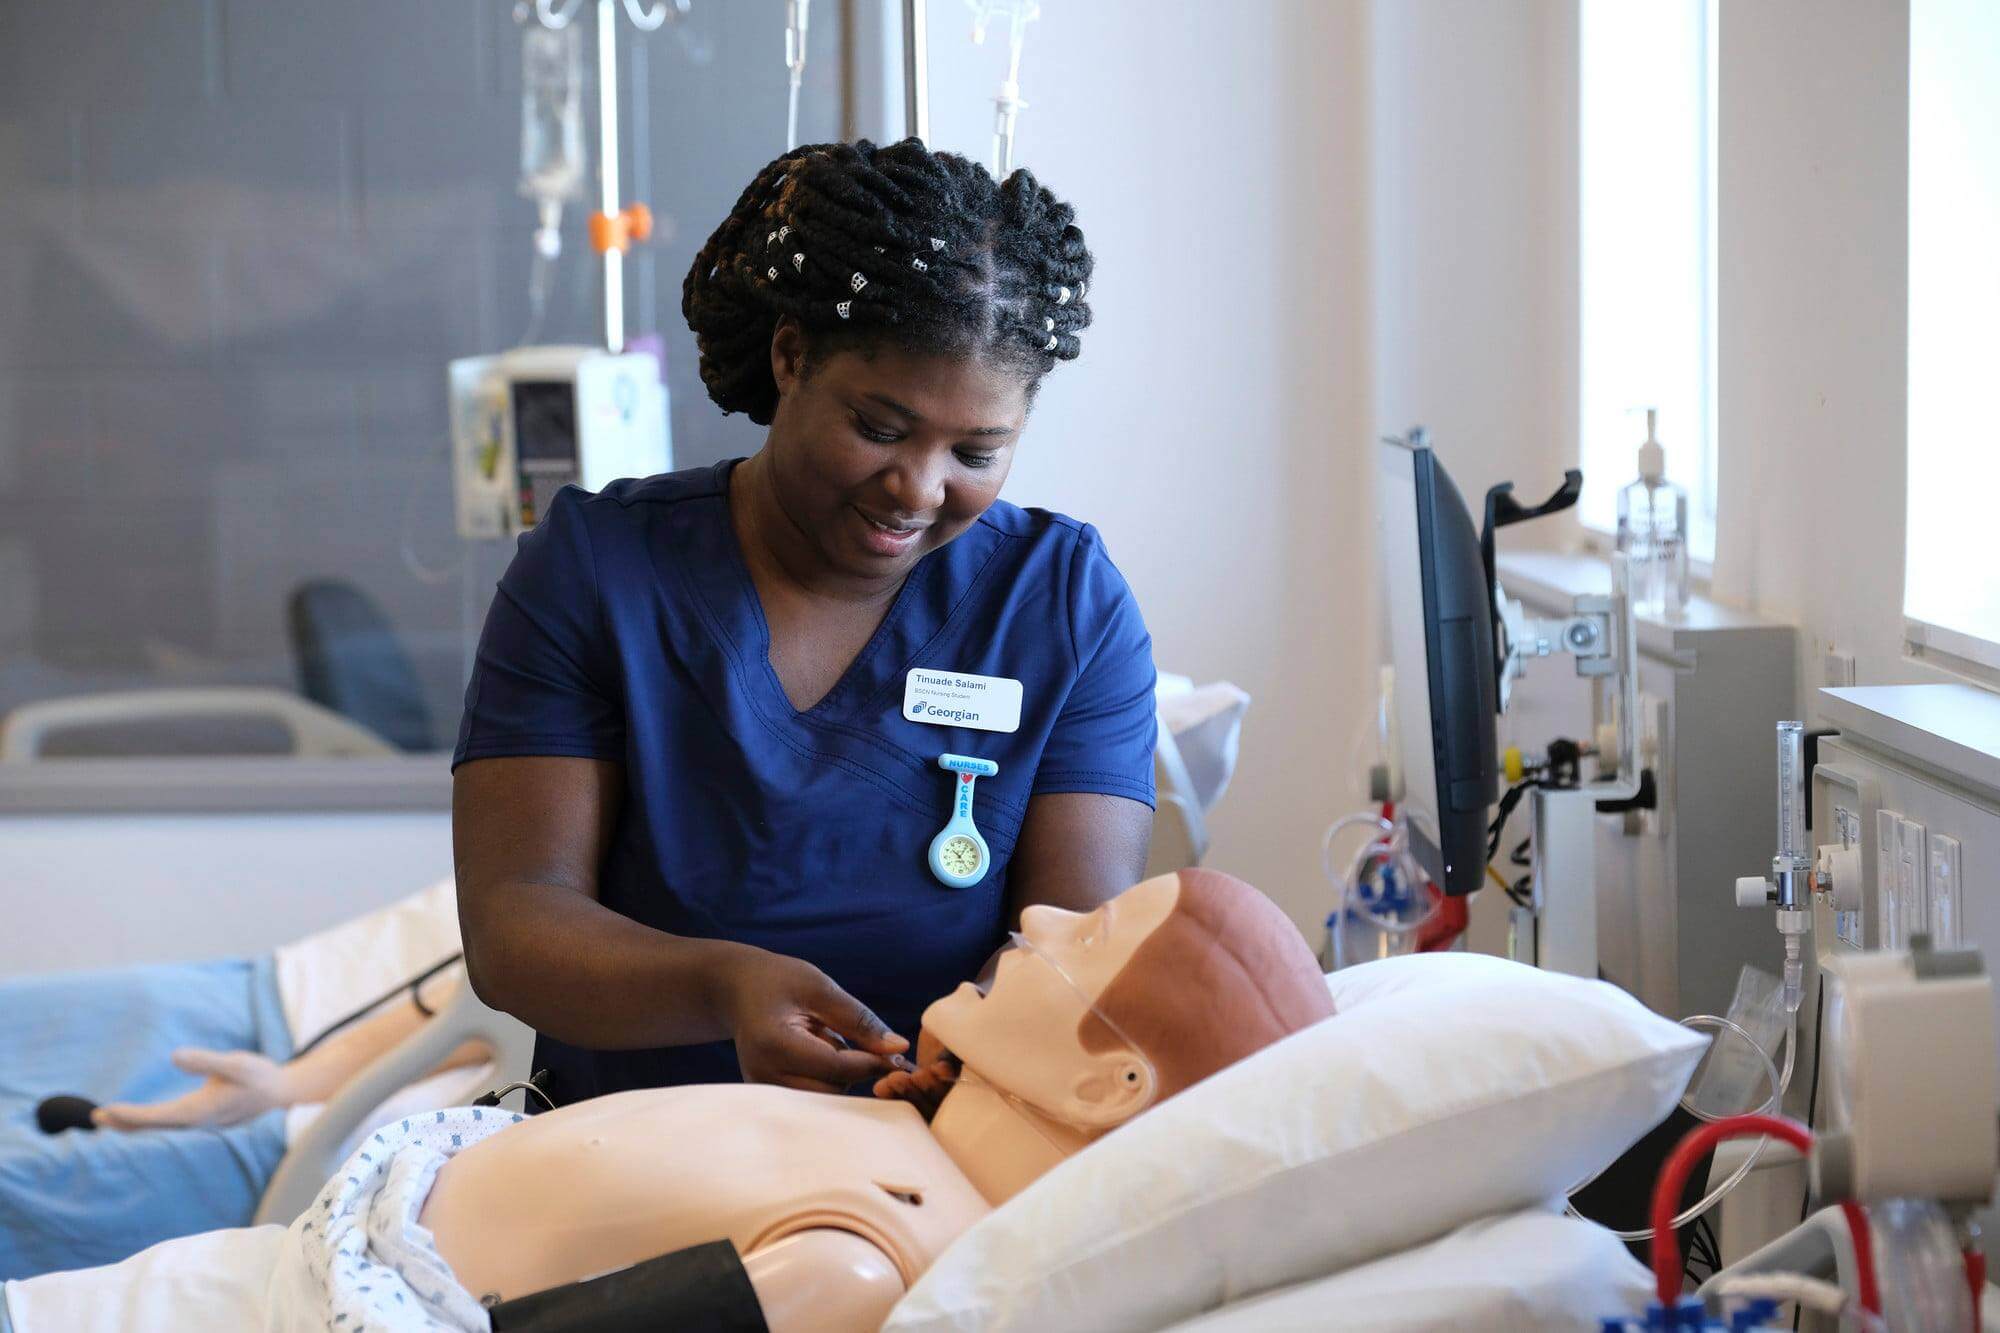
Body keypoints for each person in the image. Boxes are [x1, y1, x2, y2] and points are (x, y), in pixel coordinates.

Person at [452, 137, 1159, 1105]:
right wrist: (721, 989)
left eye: (976, 452)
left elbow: (1073, 942)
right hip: (639, 1136)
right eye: (879, 429)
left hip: (940, 1137)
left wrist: (955, 1050)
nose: (918, 487)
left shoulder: (1060, 605)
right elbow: (515, 927)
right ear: (791, 358)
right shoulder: (599, 572)